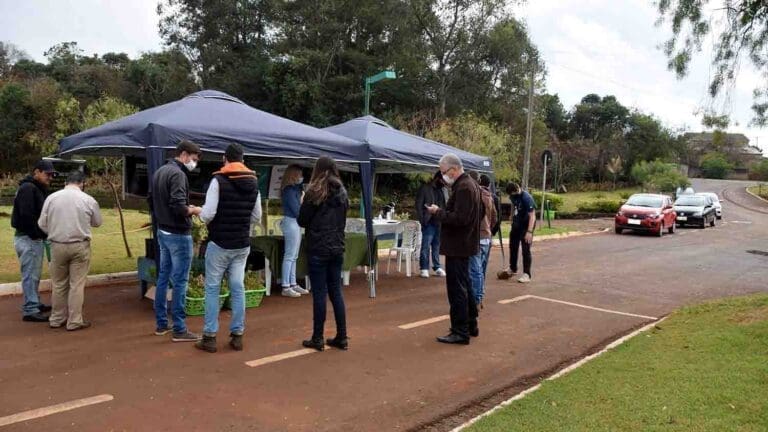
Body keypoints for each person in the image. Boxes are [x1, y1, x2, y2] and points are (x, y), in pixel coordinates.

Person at [195, 143, 261, 353]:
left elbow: (208, 215)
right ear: (242, 160)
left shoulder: (218, 181)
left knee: (213, 288)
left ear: (225, 159)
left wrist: (197, 210)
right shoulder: (254, 182)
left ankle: (210, 336)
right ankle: (237, 335)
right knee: (237, 287)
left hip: (220, 243)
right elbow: (256, 217)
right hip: (242, 244)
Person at [149, 140, 203, 342]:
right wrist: (194, 210)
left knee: (164, 277)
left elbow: (152, 200)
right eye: (194, 159)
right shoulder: (178, 175)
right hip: (179, 234)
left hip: (163, 231)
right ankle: (180, 328)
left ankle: (162, 323)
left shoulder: (160, 171)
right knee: (180, 280)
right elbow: (179, 206)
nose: (194, 163)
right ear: (184, 154)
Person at [427, 154, 482, 345]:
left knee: (457, 289)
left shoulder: (465, 187)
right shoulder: (470, 185)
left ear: (453, 169)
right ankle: (470, 324)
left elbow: (461, 218)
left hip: (459, 246)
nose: (442, 176)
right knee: (465, 285)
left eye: (443, 172)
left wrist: (438, 212)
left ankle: (460, 331)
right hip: (463, 245)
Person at [37, 171, 102, 331]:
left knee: (58, 284)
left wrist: (53, 232)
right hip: (80, 244)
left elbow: (41, 223)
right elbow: (97, 222)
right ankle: (74, 320)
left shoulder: (51, 198)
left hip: (57, 244)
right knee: (76, 284)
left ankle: (56, 318)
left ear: (66, 182)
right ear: (82, 183)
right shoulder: (88, 199)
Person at [297, 156, 349, 351]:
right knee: (336, 291)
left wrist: (303, 201)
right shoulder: (342, 192)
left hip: (318, 247)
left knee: (320, 293)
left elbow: (302, 220)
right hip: (337, 247)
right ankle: (342, 336)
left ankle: (318, 337)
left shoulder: (313, 192)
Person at [11, 160, 57, 322]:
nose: (50, 177)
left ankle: (34, 302)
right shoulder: (28, 189)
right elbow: (26, 216)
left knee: (34, 273)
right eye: (47, 174)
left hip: (31, 237)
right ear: (37, 172)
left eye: (52, 175)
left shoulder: (35, 188)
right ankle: (30, 309)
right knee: (30, 274)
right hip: (28, 237)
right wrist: (37, 234)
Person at [279, 165, 309, 297]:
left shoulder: (294, 190)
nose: (301, 177)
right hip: (291, 222)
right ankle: (286, 285)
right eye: (299, 174)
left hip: (294, 223)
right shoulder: (289, 191)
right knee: (290, 255)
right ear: (294, 175)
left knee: (293, 255)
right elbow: (296, 210)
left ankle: (292, 283)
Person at [468, 171, 497, 307]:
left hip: (478, 236)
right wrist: (490, 230)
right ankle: (480, 295)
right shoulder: (489, 196)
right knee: (480, 269)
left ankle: (476, 299)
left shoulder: (475, 195)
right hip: (487, 236)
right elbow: (494, 217)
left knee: (475, 270)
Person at [415, 171, 447, 278]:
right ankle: (424, 268)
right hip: (428, 222)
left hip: (439, 222)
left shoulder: (443, 190)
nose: (444, 183)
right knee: (425, 246)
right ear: (437, 178)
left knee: (436, 246)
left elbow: (445, 205)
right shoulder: (425, 188)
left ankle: (437, 266)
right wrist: (423, 220)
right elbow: (418, 206)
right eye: (442, 180)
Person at [506, 182, 536, 283]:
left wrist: (529, 232)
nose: (513, 195)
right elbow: (513, 204)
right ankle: (513, 268)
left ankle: (527, 274)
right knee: (513, 247)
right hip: (516, 225)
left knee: (525, 250)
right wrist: (511, 217)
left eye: (514, 193)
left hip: (526, 225)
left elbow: (532, 215)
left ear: (518, 189)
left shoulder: (526, 198)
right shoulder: (512, 196)